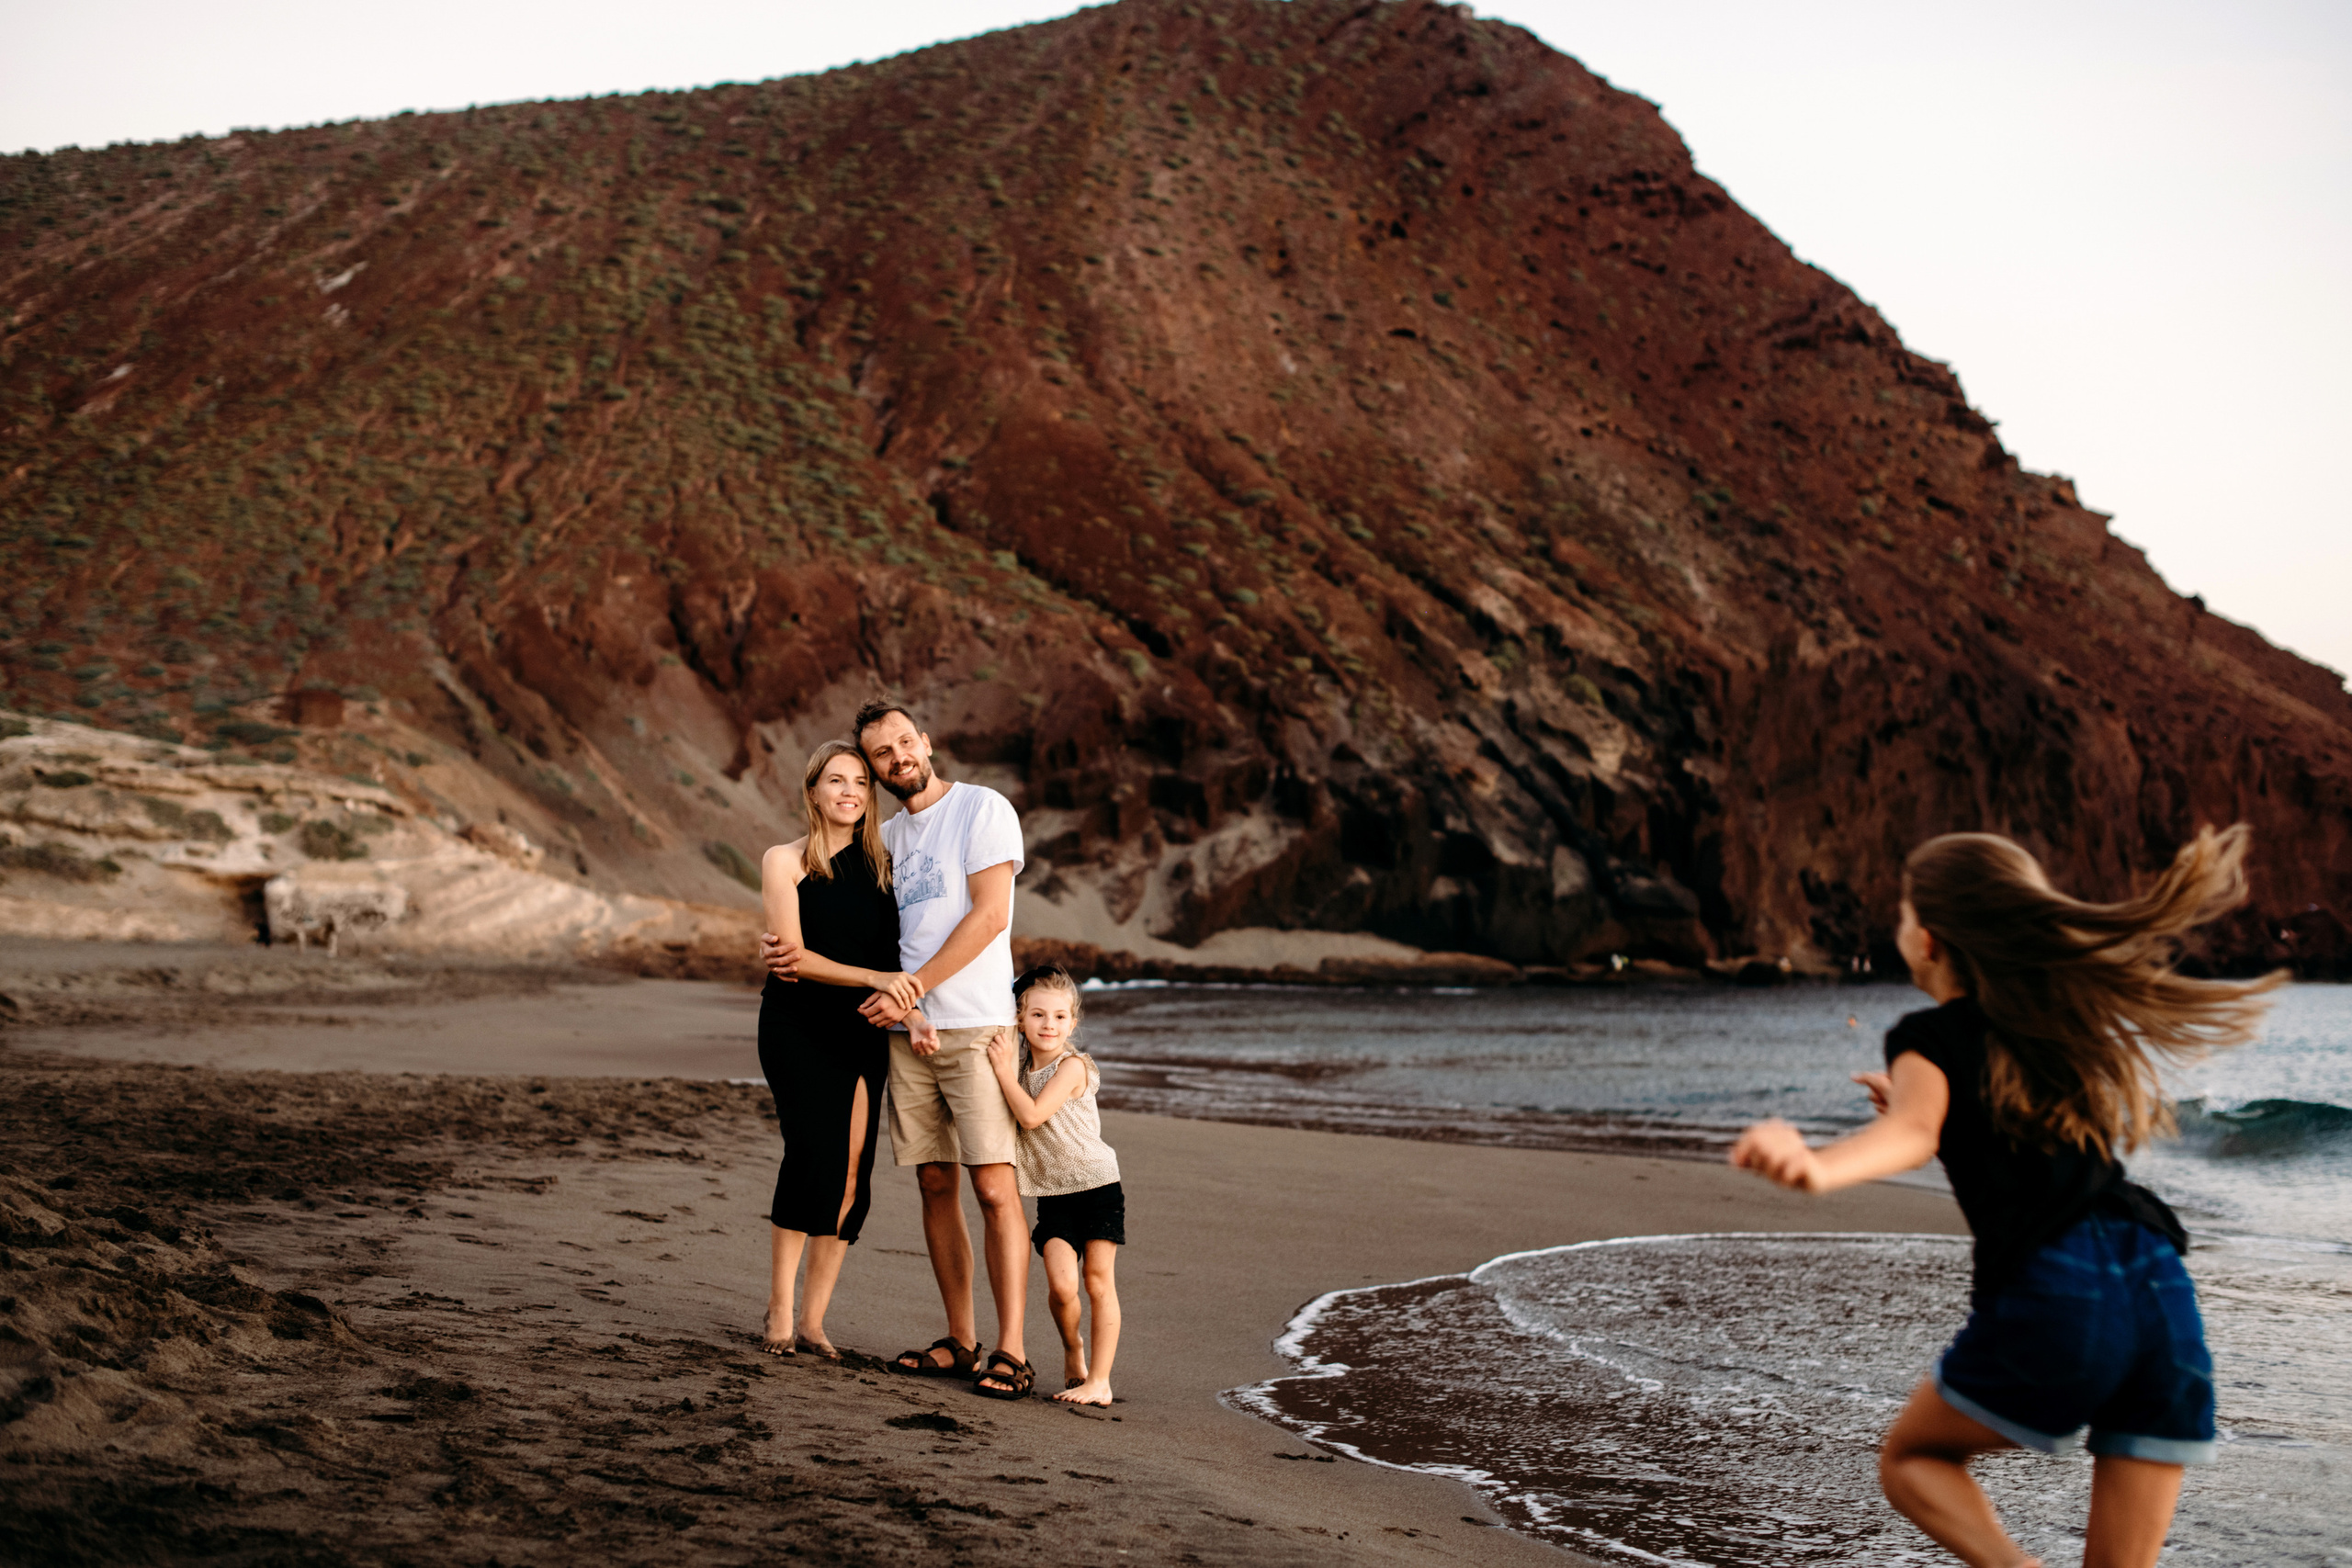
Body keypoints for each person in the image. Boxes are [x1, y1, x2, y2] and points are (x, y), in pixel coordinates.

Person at [1730, 826, 2282, 1568]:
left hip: (2063, 1295)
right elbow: (1986, 1123)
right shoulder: (2060, 1026)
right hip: (2159, 1288)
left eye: (1901, 913)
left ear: (1927, 939)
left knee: (1912, 1460)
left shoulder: (1927, 1033)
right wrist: (1914, 1106)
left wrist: (1817, 1166)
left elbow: (1917, 1134)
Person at [762, 700, 1032, 1398]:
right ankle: (959, 1339)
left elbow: (990, 915)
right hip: (885, 1033)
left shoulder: (978, 811)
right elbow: (836, 939)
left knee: (991, 1187)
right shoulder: (879, 842)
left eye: (901, 744)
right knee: (929, 1182)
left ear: (925, 742)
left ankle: (1012, 1348)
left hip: (959, 1024)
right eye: (877, 755)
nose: (893, 760)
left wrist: (905, 995)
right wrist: (896, 998)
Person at [752, 740, 926, 1359]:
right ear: (813, 791)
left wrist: (914, 1007)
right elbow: (793, 959)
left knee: (853, 1175)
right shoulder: (786, 859)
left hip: (860, 1030)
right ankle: (779, 1306)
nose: (850, 790)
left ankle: (814, 1320)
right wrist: (877, 980)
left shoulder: (880, 869)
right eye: (835, 780)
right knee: (811, 1157)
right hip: (797, 1025)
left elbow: (897, 961)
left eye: (859, 781)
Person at [985, 966, 1124, 1407]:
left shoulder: (1073, 1067)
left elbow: (1030, 1116)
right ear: (1020, 1020)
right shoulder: (1021, 1067)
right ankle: (1072, 1348)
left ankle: (1100, 1381)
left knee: (1098, 1282)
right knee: (1063, 1288)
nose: (1049, 1025)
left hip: (1099, 1186)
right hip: (1054, 1195)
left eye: (1060, 1017)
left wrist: (1001, 1072)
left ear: (1073, 1023)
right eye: (1039, 1015)